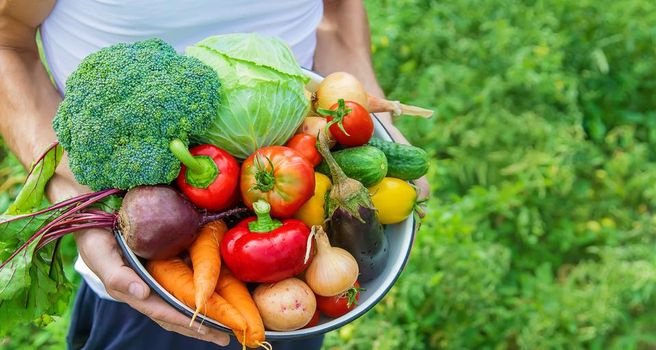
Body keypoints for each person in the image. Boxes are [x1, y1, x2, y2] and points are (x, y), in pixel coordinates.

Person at [0, 0, 429, 348]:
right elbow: (6, 40)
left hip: (298, 285)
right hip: (141, 271)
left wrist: (377, 117)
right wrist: (62, 181)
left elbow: (337, 15)